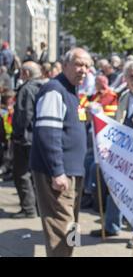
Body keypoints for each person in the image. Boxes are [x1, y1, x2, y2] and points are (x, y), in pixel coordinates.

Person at [30, 48, 91, 257]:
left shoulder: (72, 90)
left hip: (74, 171)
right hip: (58, 173)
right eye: (78, 64)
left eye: (87, 66)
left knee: (72, 226)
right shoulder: (54, 90)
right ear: (64, 65)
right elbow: (47, 134)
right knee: (61, 228)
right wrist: (57, 172)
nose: (83, 70)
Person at [90, 61, 133, 238]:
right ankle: (112, 226)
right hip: (123, 154)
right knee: (116, 188)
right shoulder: (123, 98)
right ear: (125, 77)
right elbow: (116, 122)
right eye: (131, 75)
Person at [10, 62, 45, 218]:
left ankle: (28, 208)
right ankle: (37, 206)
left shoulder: (27, 89)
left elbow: (23, 115)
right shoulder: (45, 87)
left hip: (26, 138)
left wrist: (17, 135)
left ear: (26, 74)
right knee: (35, 174)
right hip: (39, 137)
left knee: (22, 173)